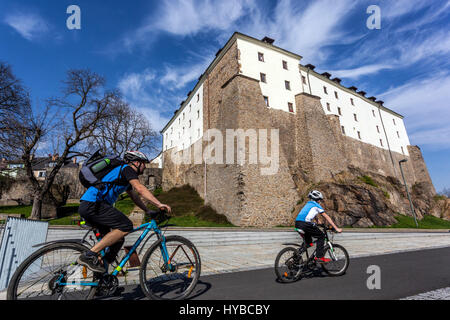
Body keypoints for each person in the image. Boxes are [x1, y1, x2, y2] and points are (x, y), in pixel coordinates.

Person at [77, 150, 172, 273]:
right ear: (136, 163)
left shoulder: (123, 177)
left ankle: (103, 278)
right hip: (93, 204)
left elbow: (134, 196)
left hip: (92, 206)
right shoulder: (127, 169)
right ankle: (89, 255)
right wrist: (159, 204)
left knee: (117, 240)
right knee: (126, 226)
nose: (145, 167)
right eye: (144, 163)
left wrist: (147, 210)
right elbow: (140, 189)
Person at [295, 190, 342, 263]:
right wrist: (336, 228)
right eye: (320, 199)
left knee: (308, 242)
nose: (320, 201)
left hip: (298, 223)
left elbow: (311, 213)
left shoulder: (308, 204)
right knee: (321, 236)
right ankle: (319, 257)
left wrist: (317, 221)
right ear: (317, 199)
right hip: (305, 224)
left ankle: (297, 254)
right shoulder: (316, 205)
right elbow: (327, 217)